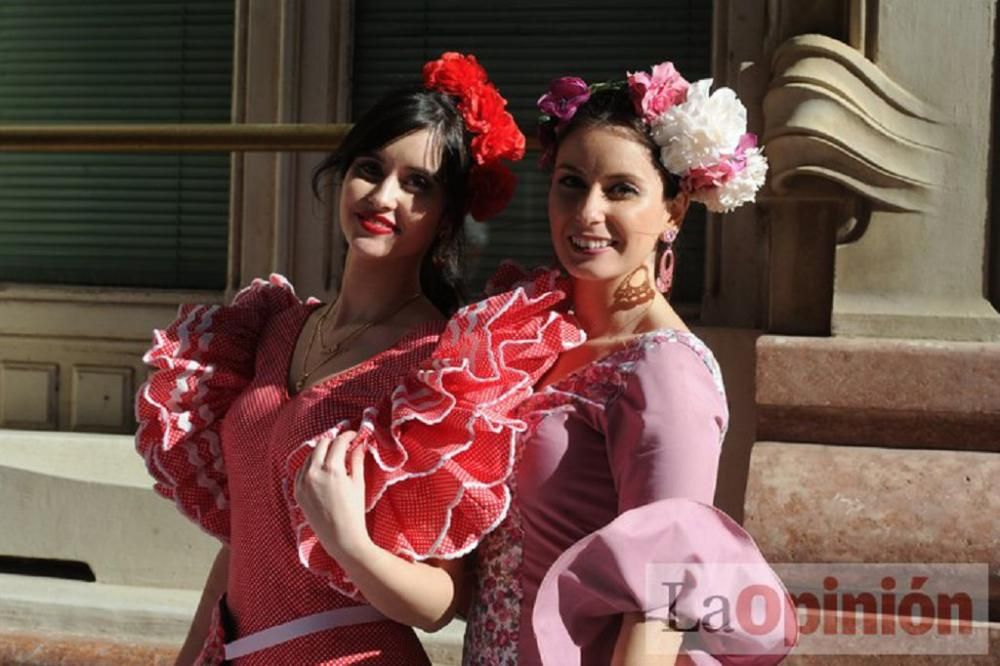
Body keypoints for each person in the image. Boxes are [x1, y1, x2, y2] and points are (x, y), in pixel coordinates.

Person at [134, 52, 526, 665]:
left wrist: (349, 542)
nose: (383, 195)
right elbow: (247, 542)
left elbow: (445, 599)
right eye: (370, 168)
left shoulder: (438, 369)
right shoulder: (275, 327)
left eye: (416, 183)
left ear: (446, 214)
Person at [455, 65, 796, 664]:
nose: (587, 211)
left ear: (675, 211)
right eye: (571, 183)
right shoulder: (535, 337)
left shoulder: (664, 369)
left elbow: (662, 602)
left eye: (620, 189)